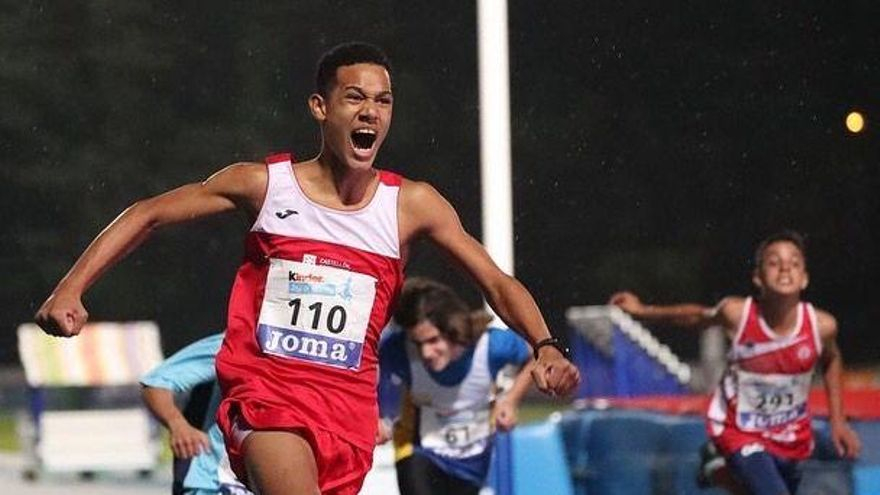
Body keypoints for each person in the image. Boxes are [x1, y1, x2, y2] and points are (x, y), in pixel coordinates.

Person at [34, 41, 579, 495]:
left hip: (346, 409)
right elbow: (149, 214)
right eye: (355, 98)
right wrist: (71, 288)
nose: (372, 112)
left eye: (384, 101)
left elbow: (496, 282)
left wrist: (545, 344)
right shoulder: (266, 186)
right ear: (321, 107)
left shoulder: (411, 205)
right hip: (267, 393)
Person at [609, 230, 861, 495]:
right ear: (758, 278)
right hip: (738, 428)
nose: (785, 267)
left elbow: (832, 360)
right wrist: (642, 311)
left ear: (805, 278)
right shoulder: (738, 314)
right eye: (774, 262)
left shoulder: (822, 326)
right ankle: (721, 464)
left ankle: (716, 469)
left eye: (795, 262)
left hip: (789, 433)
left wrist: (838, 421)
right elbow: (695, 317)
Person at [377, 277, 535, 495]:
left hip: (472, 458)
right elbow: (365, 368)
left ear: (453, 327)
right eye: (418, 343)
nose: (425, 353)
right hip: (419, 450)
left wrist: (510, 400)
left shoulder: (492, 346)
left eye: (433, 341)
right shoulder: (399, 349)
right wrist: (373, 415)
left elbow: (535, 357)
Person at [140, 332, 251, 495]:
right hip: (215, 482)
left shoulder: (299, 357)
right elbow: (155, 382)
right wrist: (177, 424)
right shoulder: (234, 342)